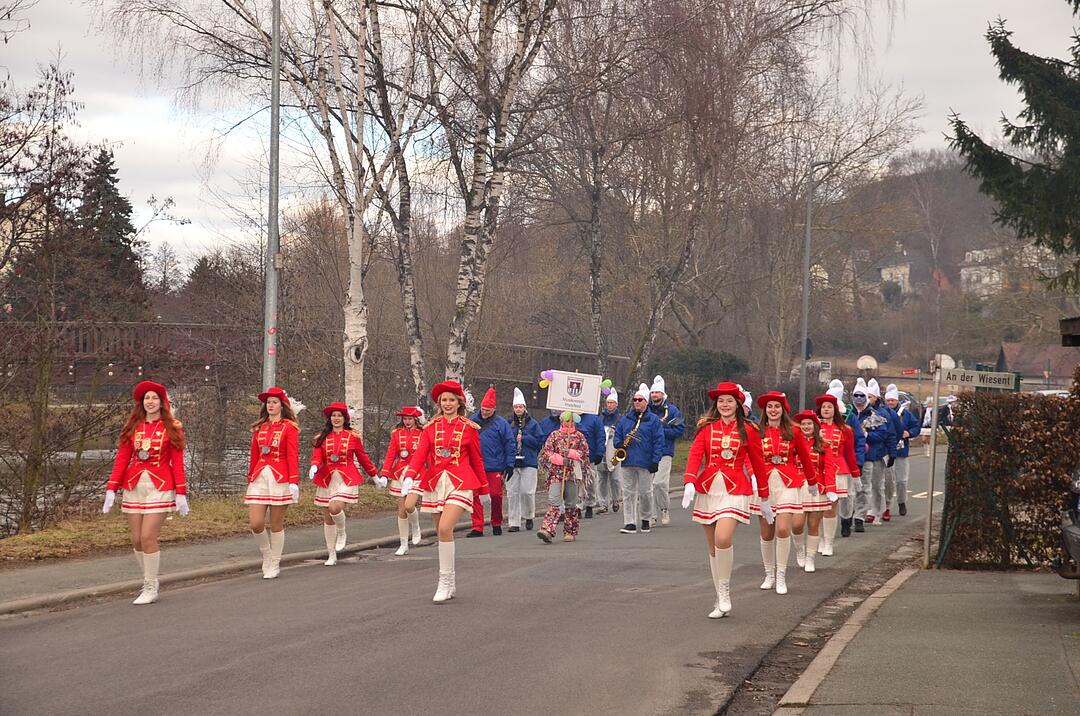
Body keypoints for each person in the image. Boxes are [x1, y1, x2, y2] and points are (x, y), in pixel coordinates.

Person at [680, 382, 768, 618]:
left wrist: (764, 493)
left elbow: (758, 462)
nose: (725, 405)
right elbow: (695, 454)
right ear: (716, 405)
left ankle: (726, 590)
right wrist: (689, 480)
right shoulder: (706, 428)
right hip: (709, 488)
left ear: (738, 404)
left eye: (729, 401)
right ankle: (719, 596)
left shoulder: (749, 429)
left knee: (723, 537)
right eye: (721, 401)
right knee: (712, 547)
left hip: (736, 489)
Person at [400, 380, 487, 602]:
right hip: (436, 482)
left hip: (461, 482)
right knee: (441, 533)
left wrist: (484, 488)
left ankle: (444, 581)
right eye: (443, 400)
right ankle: (451, 580)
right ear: (439, 403)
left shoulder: (469, 428)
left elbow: (477, 459)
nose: (447, 404)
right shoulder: (430, 428)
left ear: (459, 402)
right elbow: (420, 455)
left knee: (446, 527)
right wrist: (409, 476)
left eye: (451, 400)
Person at [103, 380, 188, 605]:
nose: (150, 402)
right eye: (146, 398)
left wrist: (181, 492)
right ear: (142, 402)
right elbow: (122, 458)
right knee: (136, 540)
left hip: (160, 486)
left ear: (162, 402)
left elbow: (177, 462)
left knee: (147, 536)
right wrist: (112, 487)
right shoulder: (133, 426)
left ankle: (150, 586)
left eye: (154, 398)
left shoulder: (173, 426)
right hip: (134, 486)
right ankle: (148, 579)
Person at [750, 391, 815, 595]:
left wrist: (812, 481)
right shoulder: (756, 430)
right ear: (765, 410)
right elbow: (748, 456)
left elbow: (805, 457)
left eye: (777, 406)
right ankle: (769, 573)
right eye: (769, 406)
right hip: (764, 484)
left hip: (788, 482)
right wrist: (752, 474)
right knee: (767, 533)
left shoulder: (794, 432)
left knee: (783, 529)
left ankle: (781, 576)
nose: (773, 410)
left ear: (784, 409)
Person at [309, 402, 380, 566]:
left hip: (346, 477)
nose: (336, 418)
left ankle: (342, 531)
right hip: (327, 477)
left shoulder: (353, 437)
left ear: (345, 418)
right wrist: (314, 465)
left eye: (339, 415)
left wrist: (374, 475)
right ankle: (331, 554)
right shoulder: (321, 437)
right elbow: (317, 456)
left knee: (335, 507)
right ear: (329, 418)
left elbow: (363, 458)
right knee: (327, 518)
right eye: (333, 415)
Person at [246, 387, 301, 579]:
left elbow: (293, 455)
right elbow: (254, 455)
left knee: (276, 524)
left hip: (280, 478)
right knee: (256, 523)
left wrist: (294, 481)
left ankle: (275, 561)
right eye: (268, 402)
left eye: (274, 402)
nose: (270, 405)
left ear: (282, 405)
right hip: (260, 476)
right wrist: (250, 476)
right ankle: (267, 555)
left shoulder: (289, 427)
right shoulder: (259, 427)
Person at [790, 410, 837, 572]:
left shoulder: (824, 444)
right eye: (803, 424)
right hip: (797, 486)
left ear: (815, 426)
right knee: (796, 525)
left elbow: (829, 467)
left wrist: (831, 488)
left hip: (817, 488)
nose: (806, 426)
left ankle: (810, 558)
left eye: (809, 423)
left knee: (813, 526)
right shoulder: (792, 443)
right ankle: (800, 550)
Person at [615, 383, 664, 534]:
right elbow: (617, 436)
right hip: (627, 461)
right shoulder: (625, 419)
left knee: (645, 493)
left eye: (640, 400)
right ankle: (629, 522)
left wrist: (655, 460)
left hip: (645, 461)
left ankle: (646, 519)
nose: (636, 402)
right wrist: (620, 444)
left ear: (646, 402)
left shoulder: (654, 420)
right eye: (635, 400)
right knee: (628, 493)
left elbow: (659, 441)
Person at [536, 412, 593, 543]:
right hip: (556, 474)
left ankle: (570, 530)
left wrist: (573, 453)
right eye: (567, 421)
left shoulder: (579, 436)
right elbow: (546, 453)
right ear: (562, 421)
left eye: (572, 422)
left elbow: (585, 454)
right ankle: (548, 529)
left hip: (572, 474)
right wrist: (559, 459)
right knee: (554, 501)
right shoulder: (554, 435)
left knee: (571, 504)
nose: (569, 424)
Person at [468, 387, 515, 537]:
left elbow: (509, 443)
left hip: (494, 465)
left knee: (495, 495)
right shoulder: (472, 422)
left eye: (488, 410)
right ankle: (477, 526)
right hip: (475, 465)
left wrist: (510, 464)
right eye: (483, 409)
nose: (485, 412)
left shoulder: (501, 424)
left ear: (494, 409)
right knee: (475, 496)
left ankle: (496, 522)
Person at [815, 390, 860, 548]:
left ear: (835, 409)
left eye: (829, 407)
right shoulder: (813, 427)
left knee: (831, 506)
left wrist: (856, 475)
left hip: (838, 470)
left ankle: (828, 542)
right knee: (818, 507)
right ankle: (819, 539)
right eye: (823, 407)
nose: (826, 409)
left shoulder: (845, 429)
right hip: (818, 470)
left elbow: (849, 453)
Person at [849, 378, 896, 528]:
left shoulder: (875, 415)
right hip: (849, 457)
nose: (859, 399)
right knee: (850, 489)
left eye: (863, 396)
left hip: (870, 456)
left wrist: (867, 436)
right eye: (856, 395)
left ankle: (862, 516)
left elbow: (884, 434)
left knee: (867, 486)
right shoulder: (847, 414)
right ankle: (849, 514)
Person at [380, 406, 426, 556]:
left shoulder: (423, 433)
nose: (407, 421)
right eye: (405, 419)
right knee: (401, 509)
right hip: (400, 473)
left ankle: (416, 525)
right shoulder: (396, 434)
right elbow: (390, 455)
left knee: (409, 504)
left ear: (416, 419)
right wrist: (384, 474)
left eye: (410, 419)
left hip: (417, 473)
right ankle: (403, 543)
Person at [647, 375, 685, 526]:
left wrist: (662, 431)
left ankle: (664, 509)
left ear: (663, 394)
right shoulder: (646, 409)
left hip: (665, 451)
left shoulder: (673, 410)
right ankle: (652, 515)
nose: (654, 395)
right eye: (653, 393)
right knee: (648, 485)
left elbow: (680, 430)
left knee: (659, 483)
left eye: (657, 393)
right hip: (648, 451)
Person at [507, 388, 542, 532]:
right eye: (516, 407)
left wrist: (525, 439)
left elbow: (539, 442)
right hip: (513, 462)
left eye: (520, 407)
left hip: (528, 461)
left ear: (525, 408)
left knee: (527, 491)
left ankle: (528, 515)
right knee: (512, 492)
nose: (518, 409)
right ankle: (514, 522)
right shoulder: (509, 423)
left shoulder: (533, 424)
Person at [884, 385, 920, 517]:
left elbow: (916, 427)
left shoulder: (906, 414)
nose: (890, 403)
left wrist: (909, 433)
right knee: (887, 481)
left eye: (892, 400)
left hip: (901, 451)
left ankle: (901, 502)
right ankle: (887, 505)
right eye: (888, 401)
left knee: (901, 481)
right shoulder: (883, 413)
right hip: (887, 451)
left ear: (897, 400)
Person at [593, 390, 622, 514]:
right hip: (601, 450)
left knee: (615, 478)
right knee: (601, 479)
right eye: (608, 402)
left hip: (614, 451)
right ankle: (603, 504)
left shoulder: (620, 419)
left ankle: (616, 500)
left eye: (612, 403)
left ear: (616, 404)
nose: (610, 405)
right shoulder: (600, 417)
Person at [577, 409, 606, 519]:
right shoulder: (570, 417)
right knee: (577, 480)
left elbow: (600, 436)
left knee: (590, 481)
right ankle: (578, 506)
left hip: (590, 454)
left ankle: (590, 504)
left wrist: (599, 452)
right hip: (575, 455)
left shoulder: (594, 419)